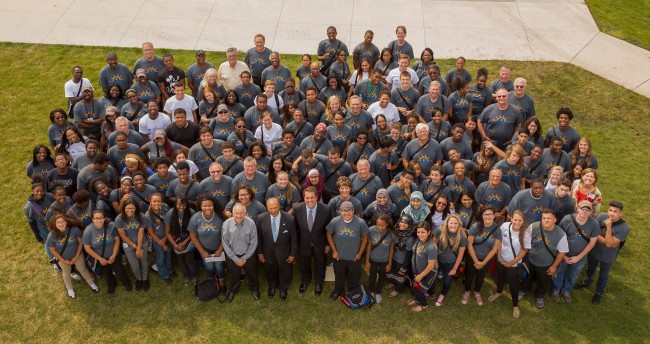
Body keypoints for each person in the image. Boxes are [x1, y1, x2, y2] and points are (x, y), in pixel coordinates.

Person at [574, 201, 630, 305]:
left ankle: (598, 293)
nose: (611, 213)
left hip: (608, 255)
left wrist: (608, 228)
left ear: (620, 214)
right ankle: (586, 282)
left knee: (603, 274)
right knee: (590, 268)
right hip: (594, 250)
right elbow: (592, 232)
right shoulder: (602, 216)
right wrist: (605, 240)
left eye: (615, 211)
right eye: (610, 210)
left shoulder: (624, 228)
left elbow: (609, 245)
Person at [551, 200, 599, 303]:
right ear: (577, 208)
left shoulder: (594, 224)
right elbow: (559, 238)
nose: (584, 212)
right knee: (558, 272)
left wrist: (578, 257)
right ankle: (556, 289)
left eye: (588, 210)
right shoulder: (567, 220)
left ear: (591, 212)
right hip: (563, 254)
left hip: (580, 257)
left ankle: (566, 290)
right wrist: (563, 256)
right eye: (582, 208)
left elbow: (592, 243)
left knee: (573, 274)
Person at [522, 209, 568, 309]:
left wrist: (554, 266)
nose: (546, 220)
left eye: (549, 218)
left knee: (543, 282)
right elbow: (525, 242)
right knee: (527, 277)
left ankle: (539, 296)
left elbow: (561, 252)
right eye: (544, 218)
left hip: (546, 264)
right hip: (530, 261)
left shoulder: (561, 234)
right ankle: (524, 290)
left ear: (555, 220)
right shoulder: (533, 226)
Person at [488, 210, 530, 318]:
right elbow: (499, 242)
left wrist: (512, 263)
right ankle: (498, 292)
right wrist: (499, 257)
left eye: (520, 220)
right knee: (500, 277)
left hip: (514, 264)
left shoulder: (526, 232)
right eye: (515, 219)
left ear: (523, 221)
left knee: (513, 285)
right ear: (511, 218)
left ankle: (515, 305)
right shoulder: (505, 226)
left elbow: (524, 251)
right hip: (501, 259)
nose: (517, 222)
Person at [256, 198, 297, 300]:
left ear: (279, 206)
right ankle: (272, 286)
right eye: (270, 208)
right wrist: (259, 252)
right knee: (270, 269)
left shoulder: (289, 218)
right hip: (268, 251)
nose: (273, 210)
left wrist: (292, 254)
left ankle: (283, 288)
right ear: (267, 208)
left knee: (285, 270)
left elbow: (294, 238)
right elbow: (258, 237)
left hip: (284, 251)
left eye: (275, 208)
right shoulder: (260, 219)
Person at [326, 201, 369, 300]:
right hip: (339, 256)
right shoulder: (335, 221)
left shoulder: (360, 222)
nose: (347, 213)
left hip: (354, 257)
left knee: (354, 276)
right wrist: (334, 250)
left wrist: (360, 253)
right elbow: (328, 234)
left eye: (349, 210)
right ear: (340, 211)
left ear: (353, 211)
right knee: (339, 275)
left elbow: (365, 237)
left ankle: (352, 291)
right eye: (344, 211)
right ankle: (337, 290)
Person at [83, 209, 132, 293]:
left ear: (104, 218)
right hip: (100, 257)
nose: (99, 220)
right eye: (96, 218)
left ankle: (127, 283)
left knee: (120, 271)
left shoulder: (111, 225)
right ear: (92, 219)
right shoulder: (88, 231)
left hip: (114, 254)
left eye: (101, 218)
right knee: (106, 273)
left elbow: (117, 240)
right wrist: (100, 259)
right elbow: (87, 248)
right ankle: (112, 284)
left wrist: (113, 255)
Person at [462, 205, 499, 306]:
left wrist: (483, 262)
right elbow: (469, 244)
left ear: (494, 215)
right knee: (469, 274)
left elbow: (495, 248)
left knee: (481, 276)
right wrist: (475, 261)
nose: (488, 216)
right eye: (486, 214)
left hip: (486, 259)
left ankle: (477, 291)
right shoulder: (476, 226)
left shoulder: (497, 229)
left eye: (490, 214)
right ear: (482, 216)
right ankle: (467, 291)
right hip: (472, 256)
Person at [222, 203, 260, 302]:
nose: (239, 216)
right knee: (233, 274)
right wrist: (235, 258)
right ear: (232, 213)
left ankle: (254, 289)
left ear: (245, 213)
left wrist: (244, 258)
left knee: (252, 273)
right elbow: (225, 243)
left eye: (241, 213)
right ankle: (232, 290)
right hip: (232, 255)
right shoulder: (226, 224)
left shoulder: (251, 223)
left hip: (248, 255)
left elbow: (254, 242)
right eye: (236, 213)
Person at [189, 195, 228, 290]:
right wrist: (202, 252)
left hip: (219, 247)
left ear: (214, 205)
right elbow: (193, 236)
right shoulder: (195, 218)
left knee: (219, 266)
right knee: (209, 266)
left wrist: (220, 250)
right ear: (200, 206)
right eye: (205, 206)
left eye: (210, 205)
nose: (207, 208)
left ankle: (221, 280)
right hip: (204, 248)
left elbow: (225, 236)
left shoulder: (220, 217)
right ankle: (211, 280)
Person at [115, 198, 151, 291]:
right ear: (124, 208)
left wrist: (139, 248)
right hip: (128, 244)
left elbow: (140, 233)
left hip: (142, 243)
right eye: (127, 208)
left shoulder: (141, 216)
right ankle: (139, 279)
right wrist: (135, 247)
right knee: (134, 265)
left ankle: (145, 279)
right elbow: (123, 236)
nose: (130, 211)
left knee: (143, 262)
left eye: (132, 208)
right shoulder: (119, 219)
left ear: (136, 209)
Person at [432, 213, 467, 307]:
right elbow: (433, 246)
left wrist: (455, 269)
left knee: (447, 281)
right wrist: (434, 261)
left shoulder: (462, 236)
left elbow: (460, 254)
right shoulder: (440, 230)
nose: (453, 225)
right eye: (451, 223)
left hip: (451, 262)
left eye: (456, 223)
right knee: (432, 276)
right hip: (438, 259)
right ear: (447, 223)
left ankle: (442, 295)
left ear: (459, 224)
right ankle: (431, 292)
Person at [165, 195, 197, 286]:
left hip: (189, 238)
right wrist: (175, 245)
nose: (182, 207)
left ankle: (194, 276)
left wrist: (184, 242)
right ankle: (186, 276)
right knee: (181, 260)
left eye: (184, 205)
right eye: (179, 204)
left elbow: (193, 231)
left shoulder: (191, 212)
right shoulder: (170, 214)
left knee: (190, 260)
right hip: (176, 239)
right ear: (175, 204)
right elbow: (167, 232)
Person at [406, 221, 437, 312]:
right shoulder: (418, 240)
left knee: (417, 288)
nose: (420, 234)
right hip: (416, 270)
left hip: (424, 273)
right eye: (418, 232)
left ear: (428, 232)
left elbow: (431, 265)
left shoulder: (431, 247)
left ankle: (424, 305)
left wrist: (420, 276)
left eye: (423, 232)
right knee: (415, 287)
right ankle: (417, 299)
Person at [365, 213, 394, 303]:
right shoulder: (371, 230)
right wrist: (367, 261)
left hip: (384, 260)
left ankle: (378, 292)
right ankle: (371, 291)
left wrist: (389, 263)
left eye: (382, 226)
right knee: (372, 276)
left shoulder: (391, 234)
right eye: (378, 225)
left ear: (387, 224)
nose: (380, 227)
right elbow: (369, 246)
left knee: (382, 276)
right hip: (373, 259)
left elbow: (392, 250)